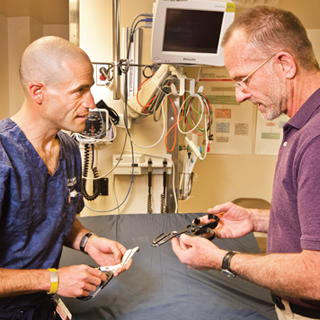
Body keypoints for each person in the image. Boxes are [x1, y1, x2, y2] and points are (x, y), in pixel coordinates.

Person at [171, 6, 320, 320]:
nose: (240, 95)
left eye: (244, 80)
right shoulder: (302, 126)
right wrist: (255, 219)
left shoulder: (316, 139)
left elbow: (316, 277)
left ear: (285, 64)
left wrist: (222, 260)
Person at [0, 36, 131, 319]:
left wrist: (87, 241)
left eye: (91, 88)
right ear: (38, 92)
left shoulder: (70, 149)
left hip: (42, 307)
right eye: (79, 90)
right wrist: (55, 280)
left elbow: (55, 216)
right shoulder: (3, 159)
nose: (91, 102)